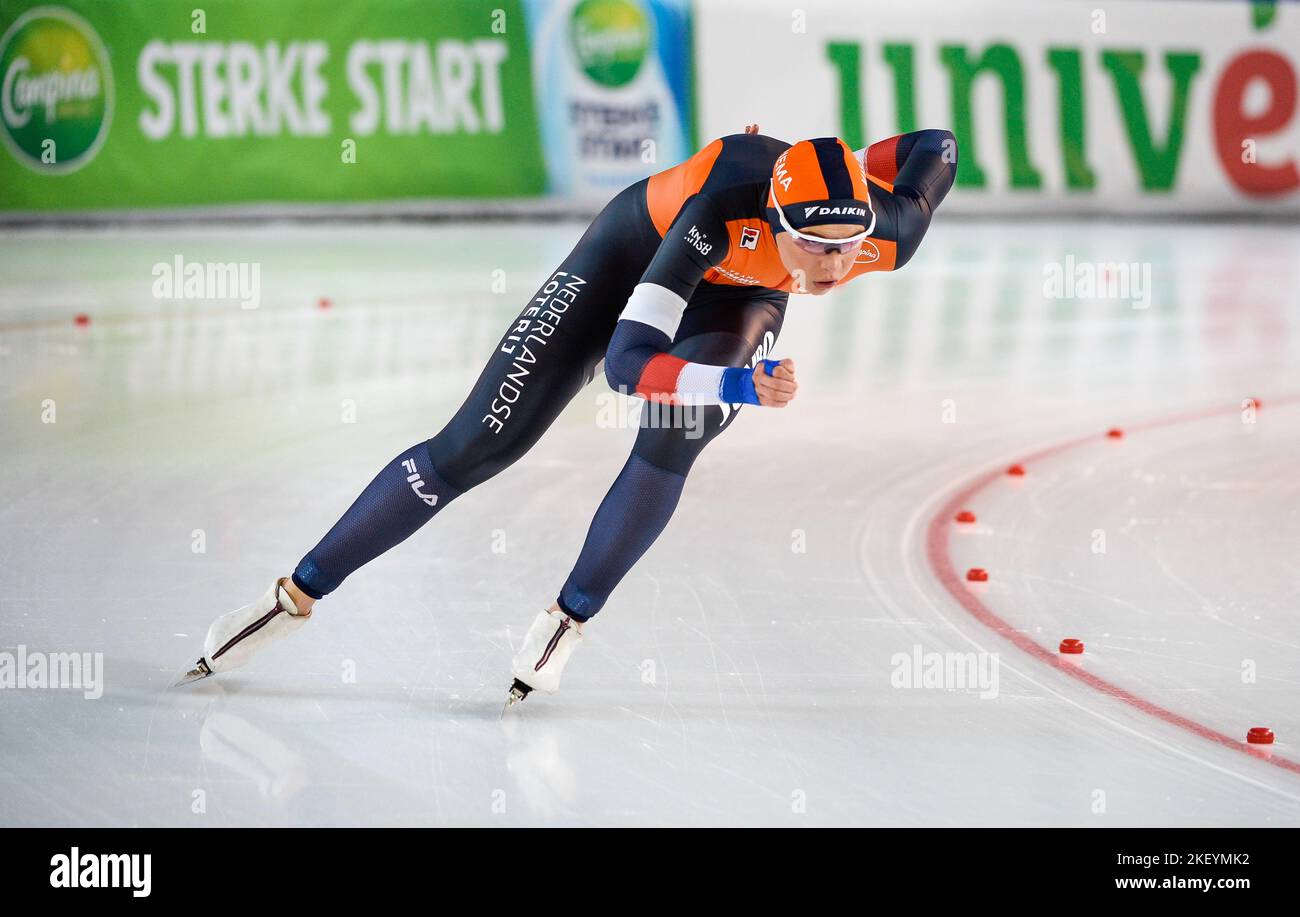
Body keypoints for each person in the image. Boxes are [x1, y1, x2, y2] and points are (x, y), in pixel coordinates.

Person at [178, 124, 958, 709]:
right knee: (476, 445)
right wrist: (737, 388)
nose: (833, 267)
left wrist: (859, 164)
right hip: (635, 252)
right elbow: (625, 365)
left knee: (674, 438)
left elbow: (939, 145)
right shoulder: (719, 206)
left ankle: (569, 615)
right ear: (777, 220)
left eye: (848, 245)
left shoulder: (887, 230)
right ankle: (295, 593)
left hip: (741, 296)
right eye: (815, 247)